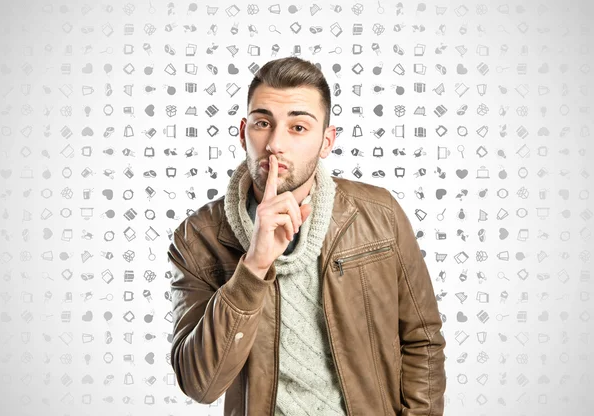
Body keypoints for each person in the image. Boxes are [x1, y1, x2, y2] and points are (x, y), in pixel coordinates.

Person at [168, 57, 446, 415]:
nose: (275, 144)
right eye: (263, 123)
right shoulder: (197, 238)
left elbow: (422, 341)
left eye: (298, 127)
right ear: (242, 132)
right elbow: (199, 385)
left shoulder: (380, 214)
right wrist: (253, 266)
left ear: (326, 141)